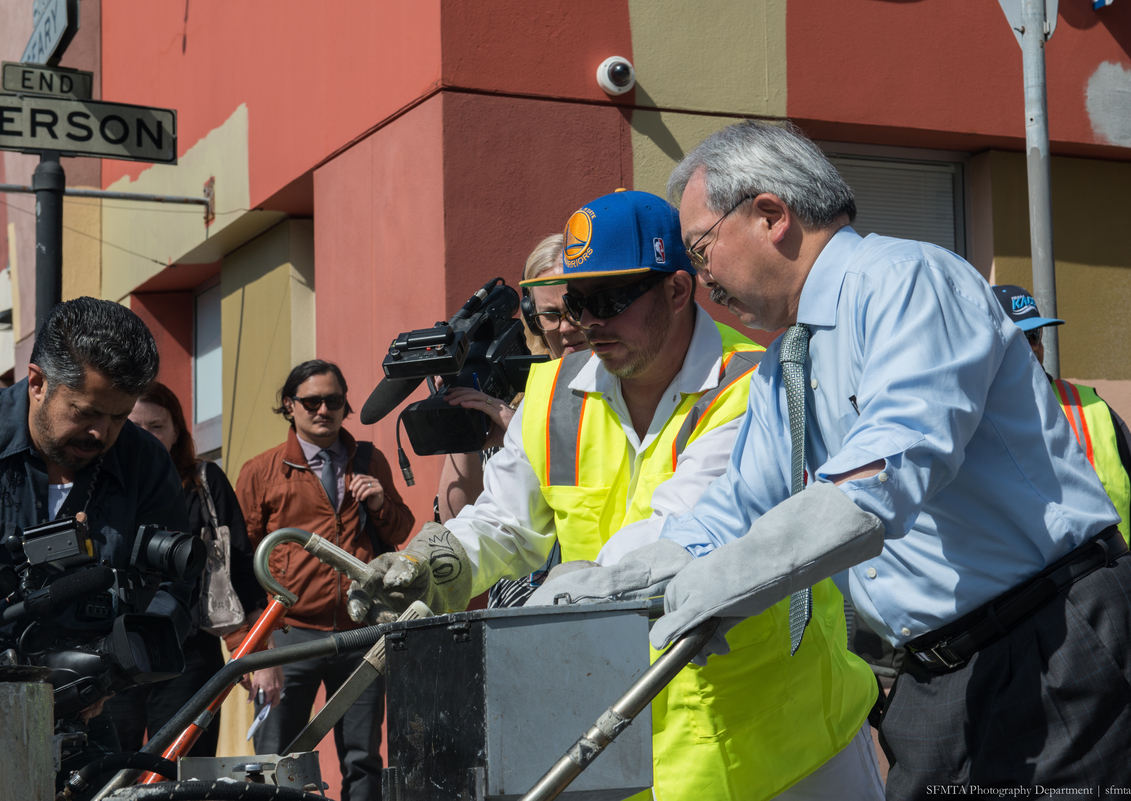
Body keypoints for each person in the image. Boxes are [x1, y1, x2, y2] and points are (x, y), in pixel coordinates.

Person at [537, 121, 1131, 794]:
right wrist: (618, 583)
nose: (702, 279)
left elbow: (885, 475)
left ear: (770, 216)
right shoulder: (785, 360)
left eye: (703, 248)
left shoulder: (905, 282)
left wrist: (717, 582)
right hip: (937, 669)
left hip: (1049, 642)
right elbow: (733, 510)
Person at [348, 191, 883, 800]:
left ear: (678, 290)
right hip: (627, 738)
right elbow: (504, 522)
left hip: (788, 741)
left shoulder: (749, 384)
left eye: (607, 300)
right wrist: (435, 563)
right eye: (573, 301)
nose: (585, 324)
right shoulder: (551, 392)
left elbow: (675, 533)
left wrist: (545, 606)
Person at [0, 297, 192, 784]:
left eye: (118, 417)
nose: (100, 433)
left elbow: (171, 589)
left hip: (83, 707)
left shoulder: (145, 462)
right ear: (38, 383)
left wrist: (111, 672)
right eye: (85, 412)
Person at [234, 359, 415, 801]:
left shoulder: (368, 460)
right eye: (311, 401)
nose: (322, 410)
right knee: (276, 759)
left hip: (359, 633)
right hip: (288, 638)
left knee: (362, 758)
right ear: (289, 405)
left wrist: (378, 504)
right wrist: (252, 648)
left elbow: (400, 533)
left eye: (333, 401)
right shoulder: (262, 471)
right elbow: (238, 564)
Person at [105, 382, 278, 758]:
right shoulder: (101, 482)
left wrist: (259, 654)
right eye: (134, 425)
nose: (145, 436)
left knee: (185, 770)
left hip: (190, 651)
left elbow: (242, 569)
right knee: (112, 773)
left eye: (157, 426)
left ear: (176, 432)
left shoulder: (204, 481)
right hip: (112, 651)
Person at [436, 233, 588, 608]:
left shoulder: (620, 384)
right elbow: (456, 515)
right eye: (550, 315)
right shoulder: (512, 389)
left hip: (584, 593)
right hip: (514, 604)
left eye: (576, 310)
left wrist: (519, 425)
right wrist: (462, 427)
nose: (566, 328)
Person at [992, 284, 1131, 586]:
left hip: (1106, 589)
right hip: (1019, 603)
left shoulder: (1091, 407)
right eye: (1019, 338)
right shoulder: (971, 418)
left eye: (1035, 336)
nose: (1031, 348)